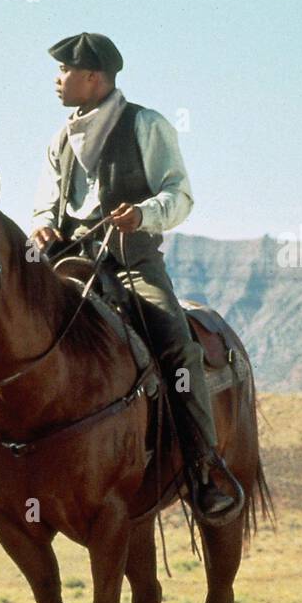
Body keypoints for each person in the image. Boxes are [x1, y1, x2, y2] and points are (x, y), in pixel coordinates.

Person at [29, 32, 241, 524]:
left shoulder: (146, 124)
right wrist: (42, 220)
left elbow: (180, 195)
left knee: (176, 344)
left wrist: (143, 215)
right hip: (67, 261)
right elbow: (45, 199)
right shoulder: (59, 138)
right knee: (10, 319)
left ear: (93, 78)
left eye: (64, 72)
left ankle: (203, 469)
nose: (57, 81)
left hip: (131, 264)